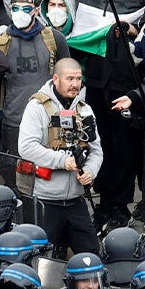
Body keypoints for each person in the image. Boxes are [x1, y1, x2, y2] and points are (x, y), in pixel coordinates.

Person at [18, 58, 103, 254]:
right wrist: (63, 161)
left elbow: (96, 150)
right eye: (70, 79)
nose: (75, 84)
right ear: (56, 79)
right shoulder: (37, 107)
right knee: (41, 259)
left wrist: (90, 171)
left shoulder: (84, 109)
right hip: (44, 201)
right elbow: (26, 147)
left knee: (92, 256)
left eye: (78, 79)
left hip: (76, 199)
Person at [0, 0, 71, 155]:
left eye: (26, 8)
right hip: (13, 121)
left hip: (48, 120)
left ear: (36, 10)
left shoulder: (54, 39)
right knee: (12, 173)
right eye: (15, 8)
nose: (20, 13)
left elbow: (68, 79)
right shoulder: (2, 42)